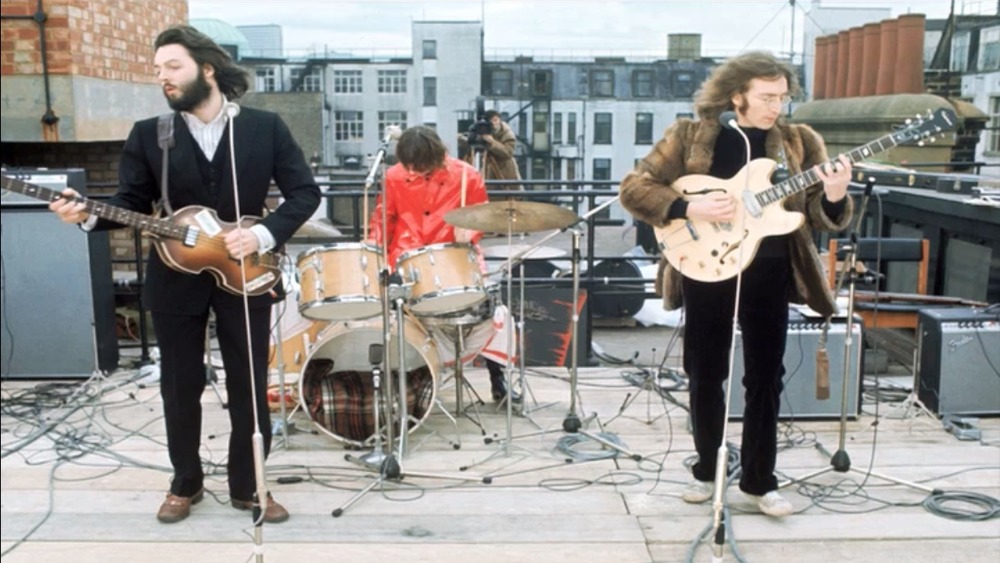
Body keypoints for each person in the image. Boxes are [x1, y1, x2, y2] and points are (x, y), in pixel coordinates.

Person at [49, 25, 321, 524]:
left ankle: (250, 486)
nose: (163, 79)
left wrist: (261, 235)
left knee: (248, 383)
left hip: (246, 272)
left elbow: (305, 194)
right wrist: (87, 213)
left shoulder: (265, 128)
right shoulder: (151, 135)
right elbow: (130, 204)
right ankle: (185, 482)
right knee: (178, 385)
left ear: (207, 69)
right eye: (158, 71)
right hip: (174, 275)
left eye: (172, 67)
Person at [619, 51, 853, 517]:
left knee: (766, 376)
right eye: (766, 97)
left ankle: (759, 481)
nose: (776, 107)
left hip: (770, 269)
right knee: (705, 372)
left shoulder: (799, 141)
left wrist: (834, 195)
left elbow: (816, 217)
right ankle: (709, 470)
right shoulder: (689, 136)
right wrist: (688, 208)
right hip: (707, 266)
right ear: (736, 96)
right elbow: (635, 188)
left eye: (783, 97)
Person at [368, 125, 518, 403]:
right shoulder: (394, 176)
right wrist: (376, 258)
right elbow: (382, 221)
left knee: (491, 309)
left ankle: (498, 377)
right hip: (407, 256)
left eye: (422, 166)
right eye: (411, 166)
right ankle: (409, 380)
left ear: (436, 155)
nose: (415, 171)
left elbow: (481, 216)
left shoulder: (467, 175)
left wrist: (471, 232)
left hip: (456, 255)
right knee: (393, 318)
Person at [459, 109, 521, 190]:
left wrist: (492, 142)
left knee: (507, 195)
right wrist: (464, 139)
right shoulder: (486, 130)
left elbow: (508, 153)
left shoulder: (507, 133)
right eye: (491, 121)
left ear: (500, 120)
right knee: (491, 195)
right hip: (489, 169)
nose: (494, 123)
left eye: (495, 120)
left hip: (504, 169)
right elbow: (476, 145)